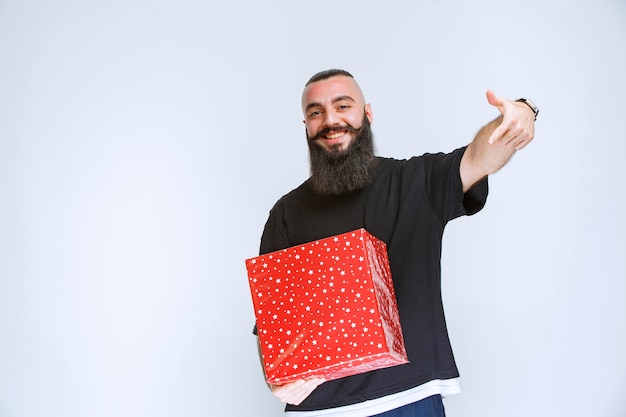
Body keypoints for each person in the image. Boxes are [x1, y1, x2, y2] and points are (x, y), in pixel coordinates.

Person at [253, 69, 537, 416]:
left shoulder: (415, 181)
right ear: (306, 127)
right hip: (320, 409)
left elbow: (479, 157)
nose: (330, 120)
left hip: (408, 399)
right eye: (316, 112)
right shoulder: (286, 213)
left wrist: (518, 115)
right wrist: (275, 377)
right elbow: (273, 323)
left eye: (343, 105)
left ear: (367, 114)